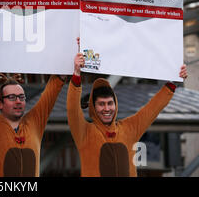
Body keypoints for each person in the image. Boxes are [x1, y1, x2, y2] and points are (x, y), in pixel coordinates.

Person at [67, 49, 188, 177]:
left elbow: (153, 108)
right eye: (101, 104)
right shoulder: (84, 132)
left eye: (110, 103)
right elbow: (72, 110)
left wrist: (174, 81)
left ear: (115, 105)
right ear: (93, 107)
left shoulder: (129, 128)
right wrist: (76, 74)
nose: (107, 109)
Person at [0, 70, 66, 176]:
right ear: (0, 104)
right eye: (12, 97)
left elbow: (51, 93)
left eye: (21, 97)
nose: (18, 101)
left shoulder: (34, 122)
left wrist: (64, 69)